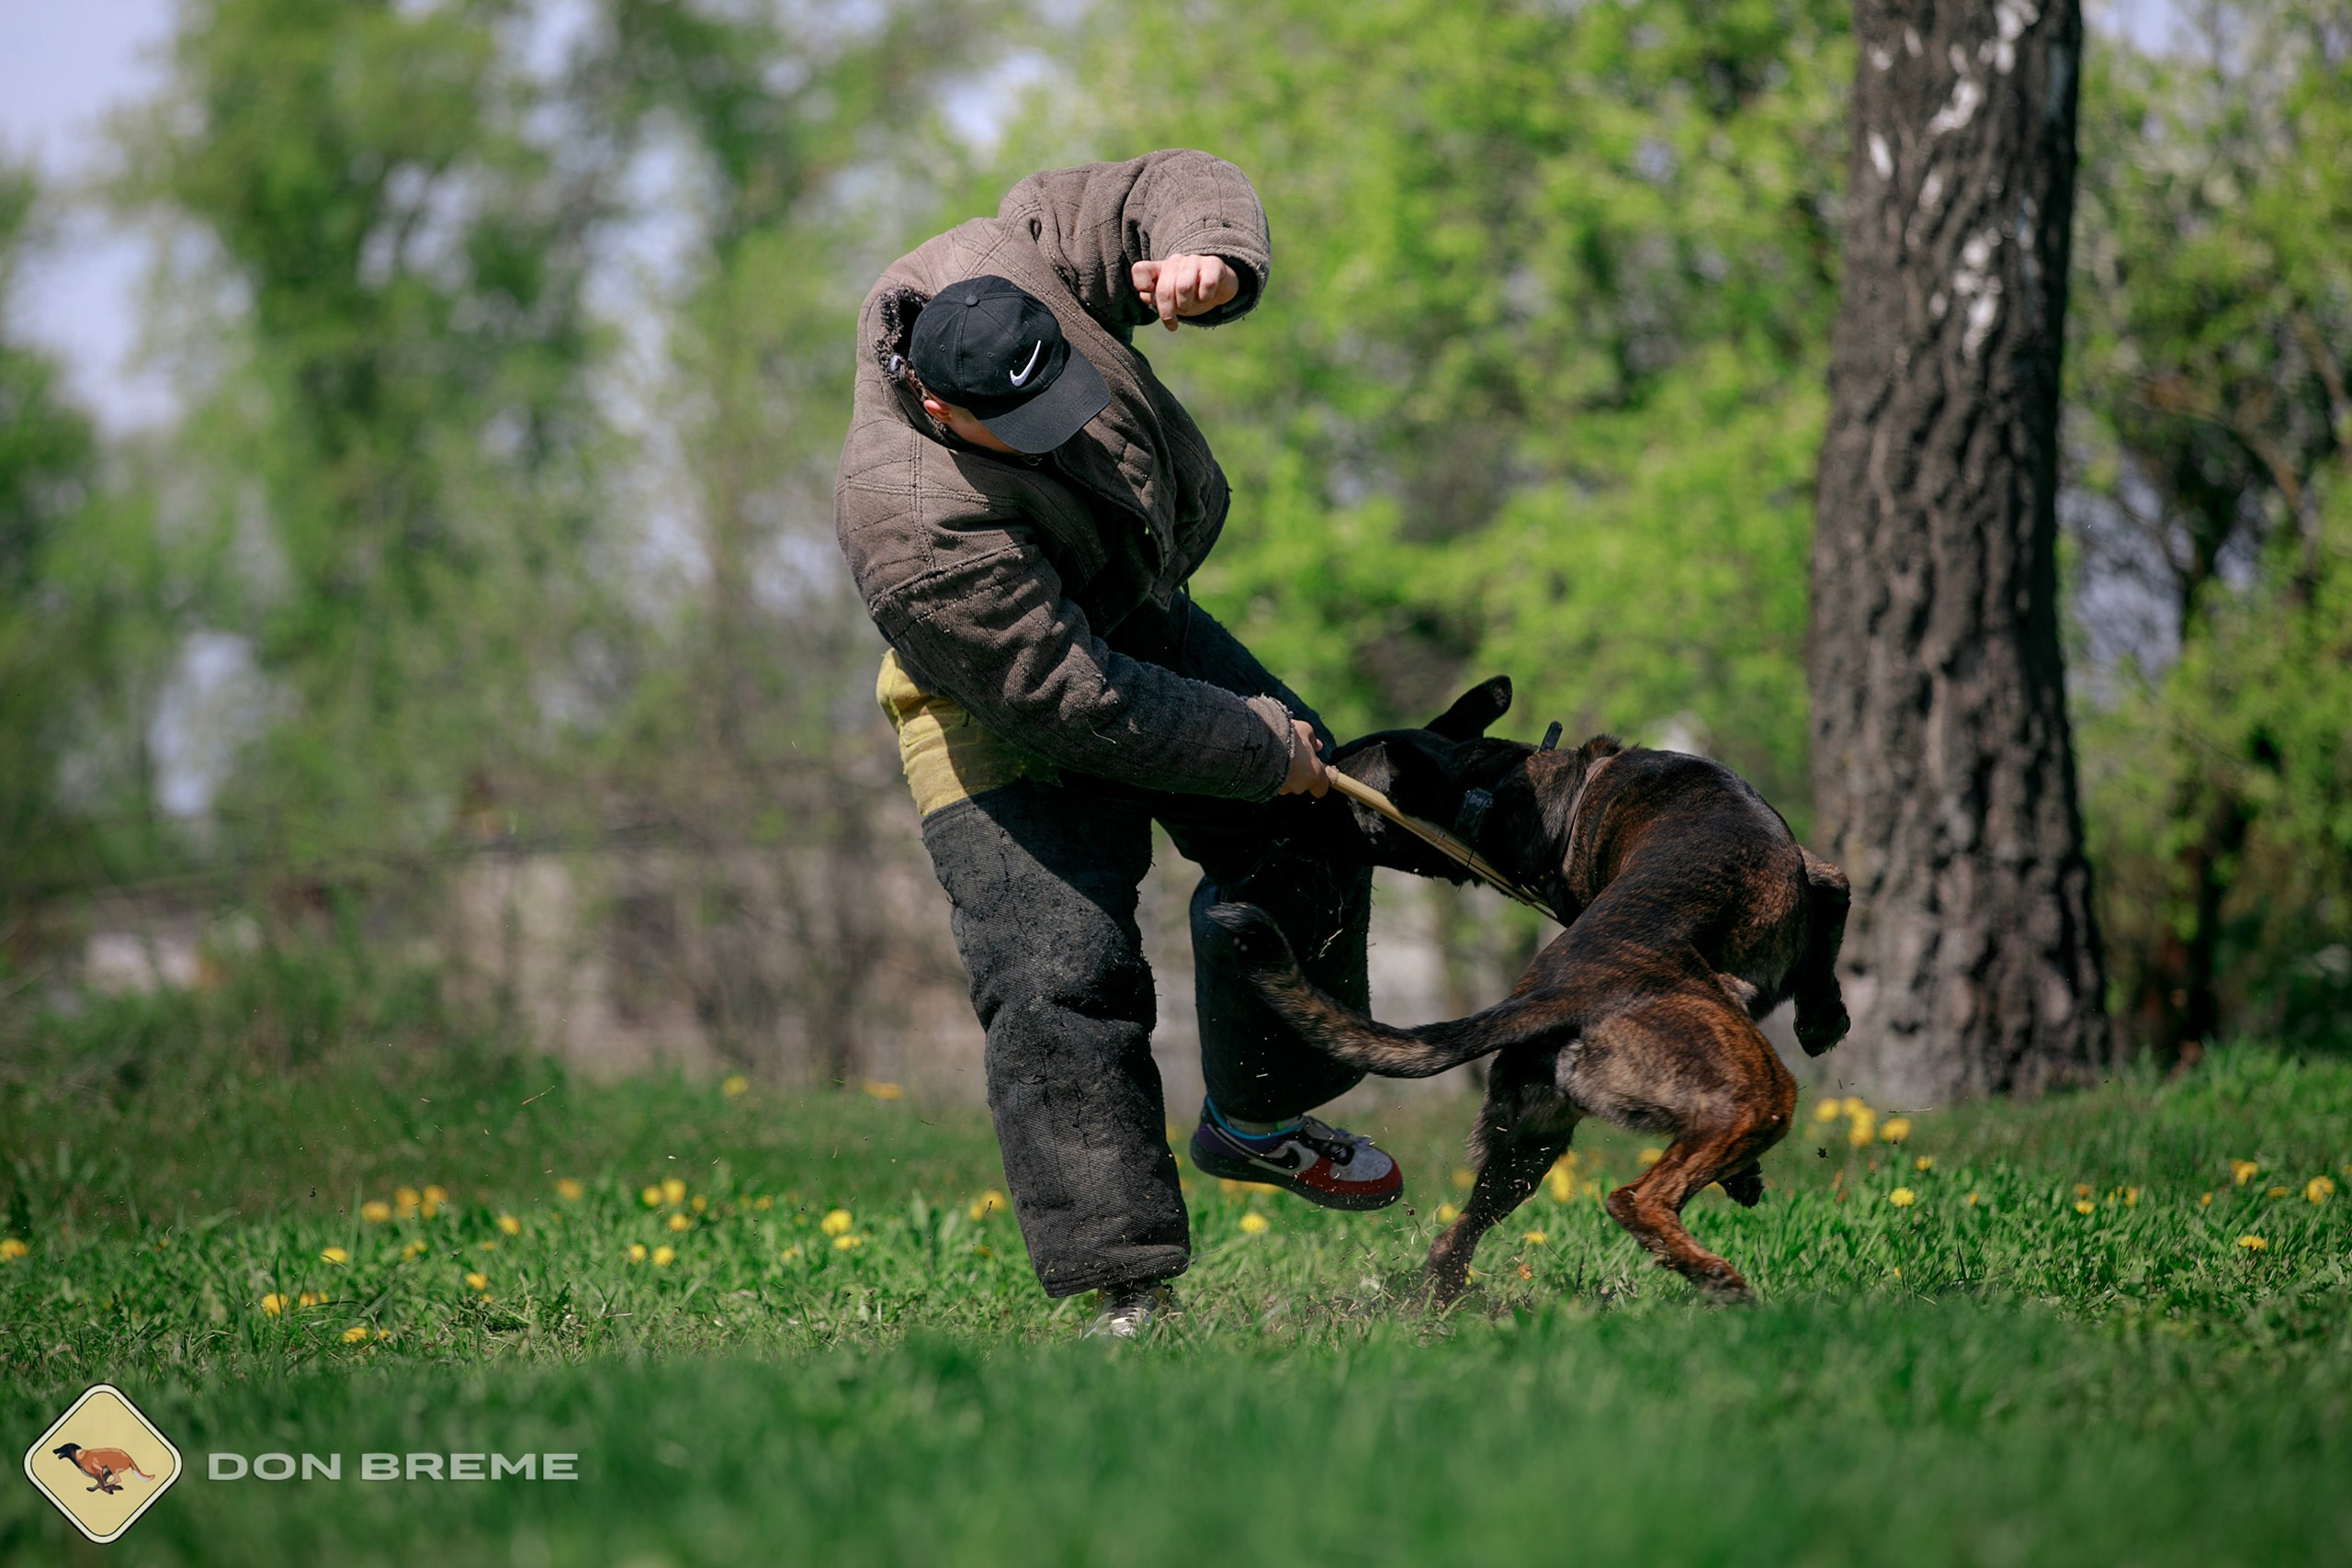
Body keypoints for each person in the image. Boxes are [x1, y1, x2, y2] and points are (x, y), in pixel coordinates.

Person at [835, 150, 1400, 1337]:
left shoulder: (1015, 261)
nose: (1060, 433)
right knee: (1060, 979)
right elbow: (1078, 701)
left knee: (1317, 814)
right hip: (999, 697)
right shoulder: (916, 530)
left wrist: (1212, 258)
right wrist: (1253, 742)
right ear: (942, 412)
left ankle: (1257, 1113)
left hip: (1122, 609)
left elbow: (1166, 179)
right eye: (1021, 428)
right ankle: (1122, 1293)